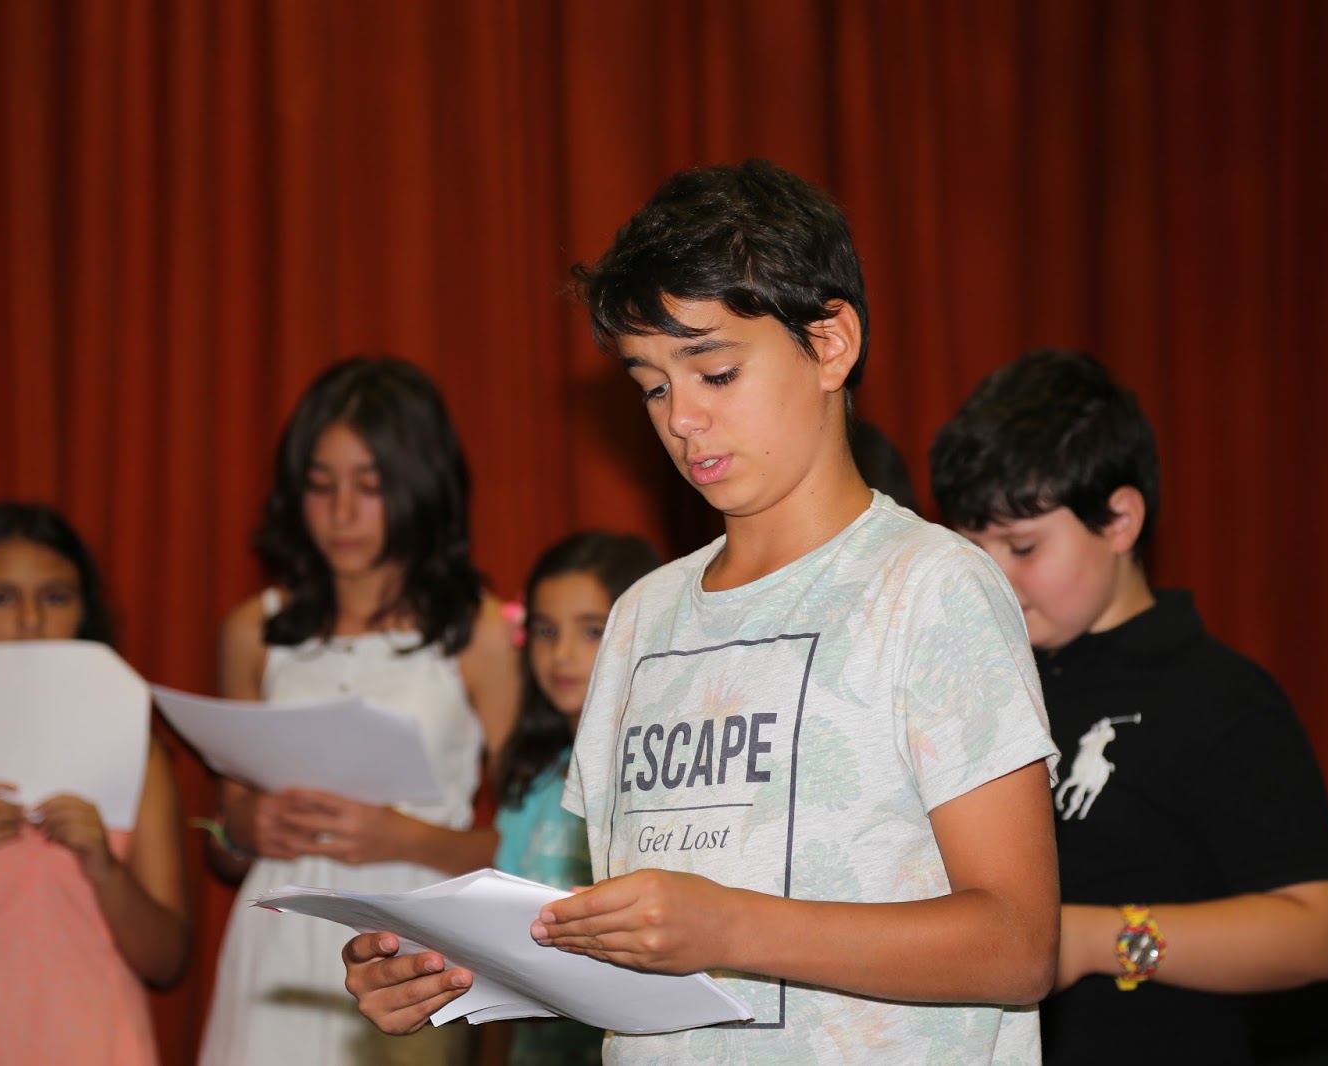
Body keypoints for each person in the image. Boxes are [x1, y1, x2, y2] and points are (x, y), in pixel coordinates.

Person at [342, 159, 1062, 1065]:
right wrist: (458, 971)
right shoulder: (641, 618)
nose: (681, 418)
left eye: (715, 372)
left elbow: (1018, 945)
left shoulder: (930, 586)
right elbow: (634, 952)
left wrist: (729, 927)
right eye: (652, 386)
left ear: (831, 344)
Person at [928, 349, 1328, 1065]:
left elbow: (1316, 934)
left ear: (1120, 521)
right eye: (975, 549)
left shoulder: (1220, 696)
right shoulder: (978, 680)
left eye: (1023, 547)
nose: (995, 578)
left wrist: (1094, 941)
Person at [198, 356, 521, 1066]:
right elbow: (225, 838)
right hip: (278, 938)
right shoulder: (257, 630)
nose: (341, 514)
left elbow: (529, 847)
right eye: (321, 486)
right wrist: (246, 826)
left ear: (420, 487)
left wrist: (406, 838)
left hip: (414, 946)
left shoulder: (476, 630)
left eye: (370, 487)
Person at [0, 501, 188, 1064]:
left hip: (99, 1046)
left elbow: (167, 961)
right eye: (0, 598)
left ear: (83, 611)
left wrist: (106, 869)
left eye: (55, 597)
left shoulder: (134, 749)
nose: (29, 620)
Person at [482, 531, 660, 1066]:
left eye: (591, 631)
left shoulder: (656, 776)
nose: (561, 655)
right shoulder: (532, 781)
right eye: (545, 630)